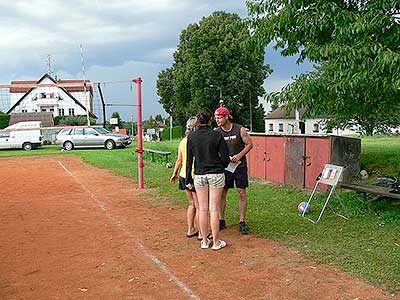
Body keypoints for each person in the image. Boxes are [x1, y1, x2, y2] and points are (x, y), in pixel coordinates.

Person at [186, 108, 230, 250]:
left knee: (203, 209)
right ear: (210, 120)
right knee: (214, 209)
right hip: (216, 173)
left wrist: (188, 178)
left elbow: (189, 160)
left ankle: (204, 241)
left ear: (198, 120)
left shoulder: (191, 137)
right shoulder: (216, 135)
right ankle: (216, 242)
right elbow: (225, 158)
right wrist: (222, 166)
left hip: (199, 175)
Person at [214, 107, 253, 234]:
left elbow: (249, 144)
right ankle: (221, 220)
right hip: (225, 167)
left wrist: (239, 156)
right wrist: (224, 158)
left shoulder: (239, 129)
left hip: (239, 166)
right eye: (216, 117)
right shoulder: (216, 132)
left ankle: (242, 221)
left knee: (241, 192)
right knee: (222, 193)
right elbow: (214, 149)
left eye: (219, 117)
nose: (217, 120)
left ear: (226, 117)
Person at [170, 117, 200, 239]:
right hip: (194, 175)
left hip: (183, 175)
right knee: (199, 206)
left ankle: (190, 229)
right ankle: (201, 232)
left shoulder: (183, 141)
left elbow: (179, 160)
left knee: (191, 204)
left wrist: (174, 173)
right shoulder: (197, 141)